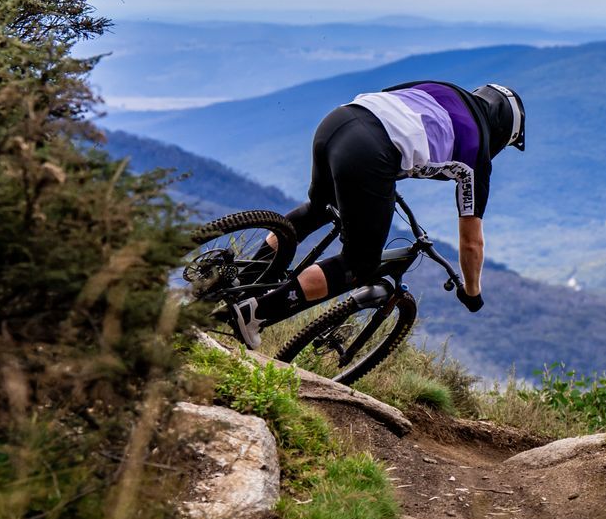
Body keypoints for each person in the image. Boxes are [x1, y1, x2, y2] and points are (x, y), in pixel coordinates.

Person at [223, 80, 525, 349]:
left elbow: (391, 117)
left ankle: (239, 280)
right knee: (360, 261)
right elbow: (472, 243)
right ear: (502, 132)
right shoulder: (478, 153)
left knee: (319, 209)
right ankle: (257, 313)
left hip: (338, 121)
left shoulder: (441, 88)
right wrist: (472, 292)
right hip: (371, 153)